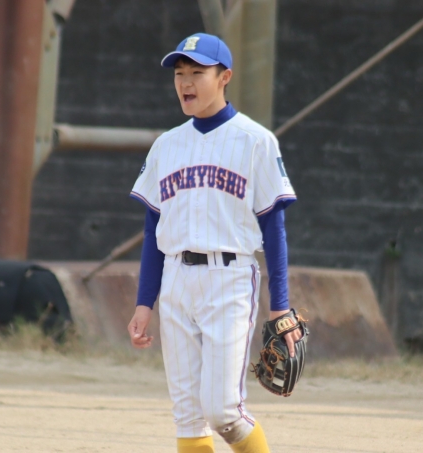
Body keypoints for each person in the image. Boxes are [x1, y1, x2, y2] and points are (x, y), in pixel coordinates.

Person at [127, 32, 300, 453]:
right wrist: (145, 302)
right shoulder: (167, 145)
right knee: (188, 417)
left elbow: (273, 227)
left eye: (197, 73)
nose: (186, 82)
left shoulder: (255, 140)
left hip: (230, 279)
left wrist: (280, 306)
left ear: (225, 77)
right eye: (179, 73)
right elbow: (153, 229)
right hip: (176, 280)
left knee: (223, 411)